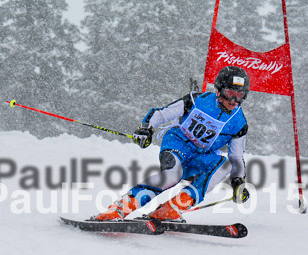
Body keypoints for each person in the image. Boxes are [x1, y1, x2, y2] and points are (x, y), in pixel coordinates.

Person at [91, 66, 252, 222]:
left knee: (226, 166)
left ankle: (170, 209)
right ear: (219, 90)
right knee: (172, 175)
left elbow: (236, 157)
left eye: (240, 95)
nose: (234, 100)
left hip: (201, 156)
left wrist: (238, 182)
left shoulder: (239, 123)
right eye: (230, 93)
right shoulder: (197, 100)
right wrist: (147, 129)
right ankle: (118, 209)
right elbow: (160, 114)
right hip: (178, 144)